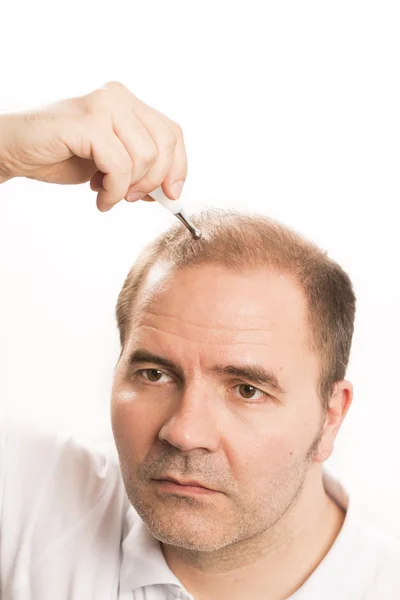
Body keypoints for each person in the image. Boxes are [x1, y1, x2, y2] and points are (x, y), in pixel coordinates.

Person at [0, 82, 399, 600]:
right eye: (154, 374)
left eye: (246, 389)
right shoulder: (35, 503)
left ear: (330, 416)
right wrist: (6, 148)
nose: (185, 432)